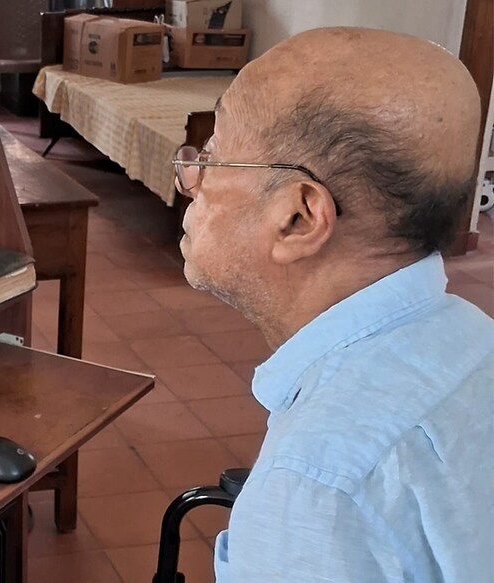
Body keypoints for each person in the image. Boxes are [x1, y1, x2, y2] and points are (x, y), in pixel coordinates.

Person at [171, 27, 494, 581]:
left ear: (298, 217)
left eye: (214, 156)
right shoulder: (473, 337)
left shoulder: (318, 490)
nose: (191, 178)